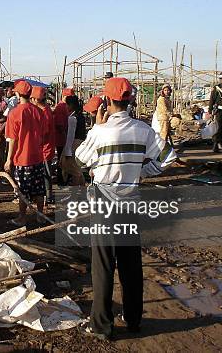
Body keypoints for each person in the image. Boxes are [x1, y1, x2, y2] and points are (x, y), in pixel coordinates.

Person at [75, 77, 177, 340]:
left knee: (104, 266)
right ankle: (133, 319)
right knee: (131, 264)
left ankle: (102, 325)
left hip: (104, 204)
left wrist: (96, 127)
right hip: (130, 202)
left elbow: (80, 158)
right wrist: (143, 171)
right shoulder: (143, 130)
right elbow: (169, 157)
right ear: (130, 100)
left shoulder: (100, 131)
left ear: (107, 101)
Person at [4, 81, 46, 225]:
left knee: (22, 190)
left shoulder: (14, 113)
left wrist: (9, 159)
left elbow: (13, 139)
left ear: (17, 93)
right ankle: (40, 215)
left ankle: (22, 217)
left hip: (22, 158)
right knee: (39, 189)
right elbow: (43, 133)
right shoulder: (39, 111)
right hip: (37, 156)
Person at [31, 86, 56, 205]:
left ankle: (49, 196)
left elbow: (44, 133)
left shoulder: (45, 112)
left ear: (35, 99)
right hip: (45, 146)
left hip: (45, 148)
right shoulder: (45, 110)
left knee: (46, 172)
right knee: (45, 172)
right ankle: (47, 195)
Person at [61, 95, 86, 185]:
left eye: (67, 105)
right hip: (80, 143)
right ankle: (81, 190)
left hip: (74, 144)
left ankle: (75, 193)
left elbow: (70, 136)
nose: (66, 107)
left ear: (71, 105)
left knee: (73, 170)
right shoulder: (80, 116)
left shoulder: (72, 118)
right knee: (77, 169)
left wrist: (67, 152)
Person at [53, 88, 73, 185]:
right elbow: (59, 125)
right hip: (61, 139)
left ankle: (66, 178)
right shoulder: (60, 107)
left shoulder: (65, 106)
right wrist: (66, 137)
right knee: (62, 161)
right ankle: (61, 180)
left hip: (65, 137)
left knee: (67, 160)